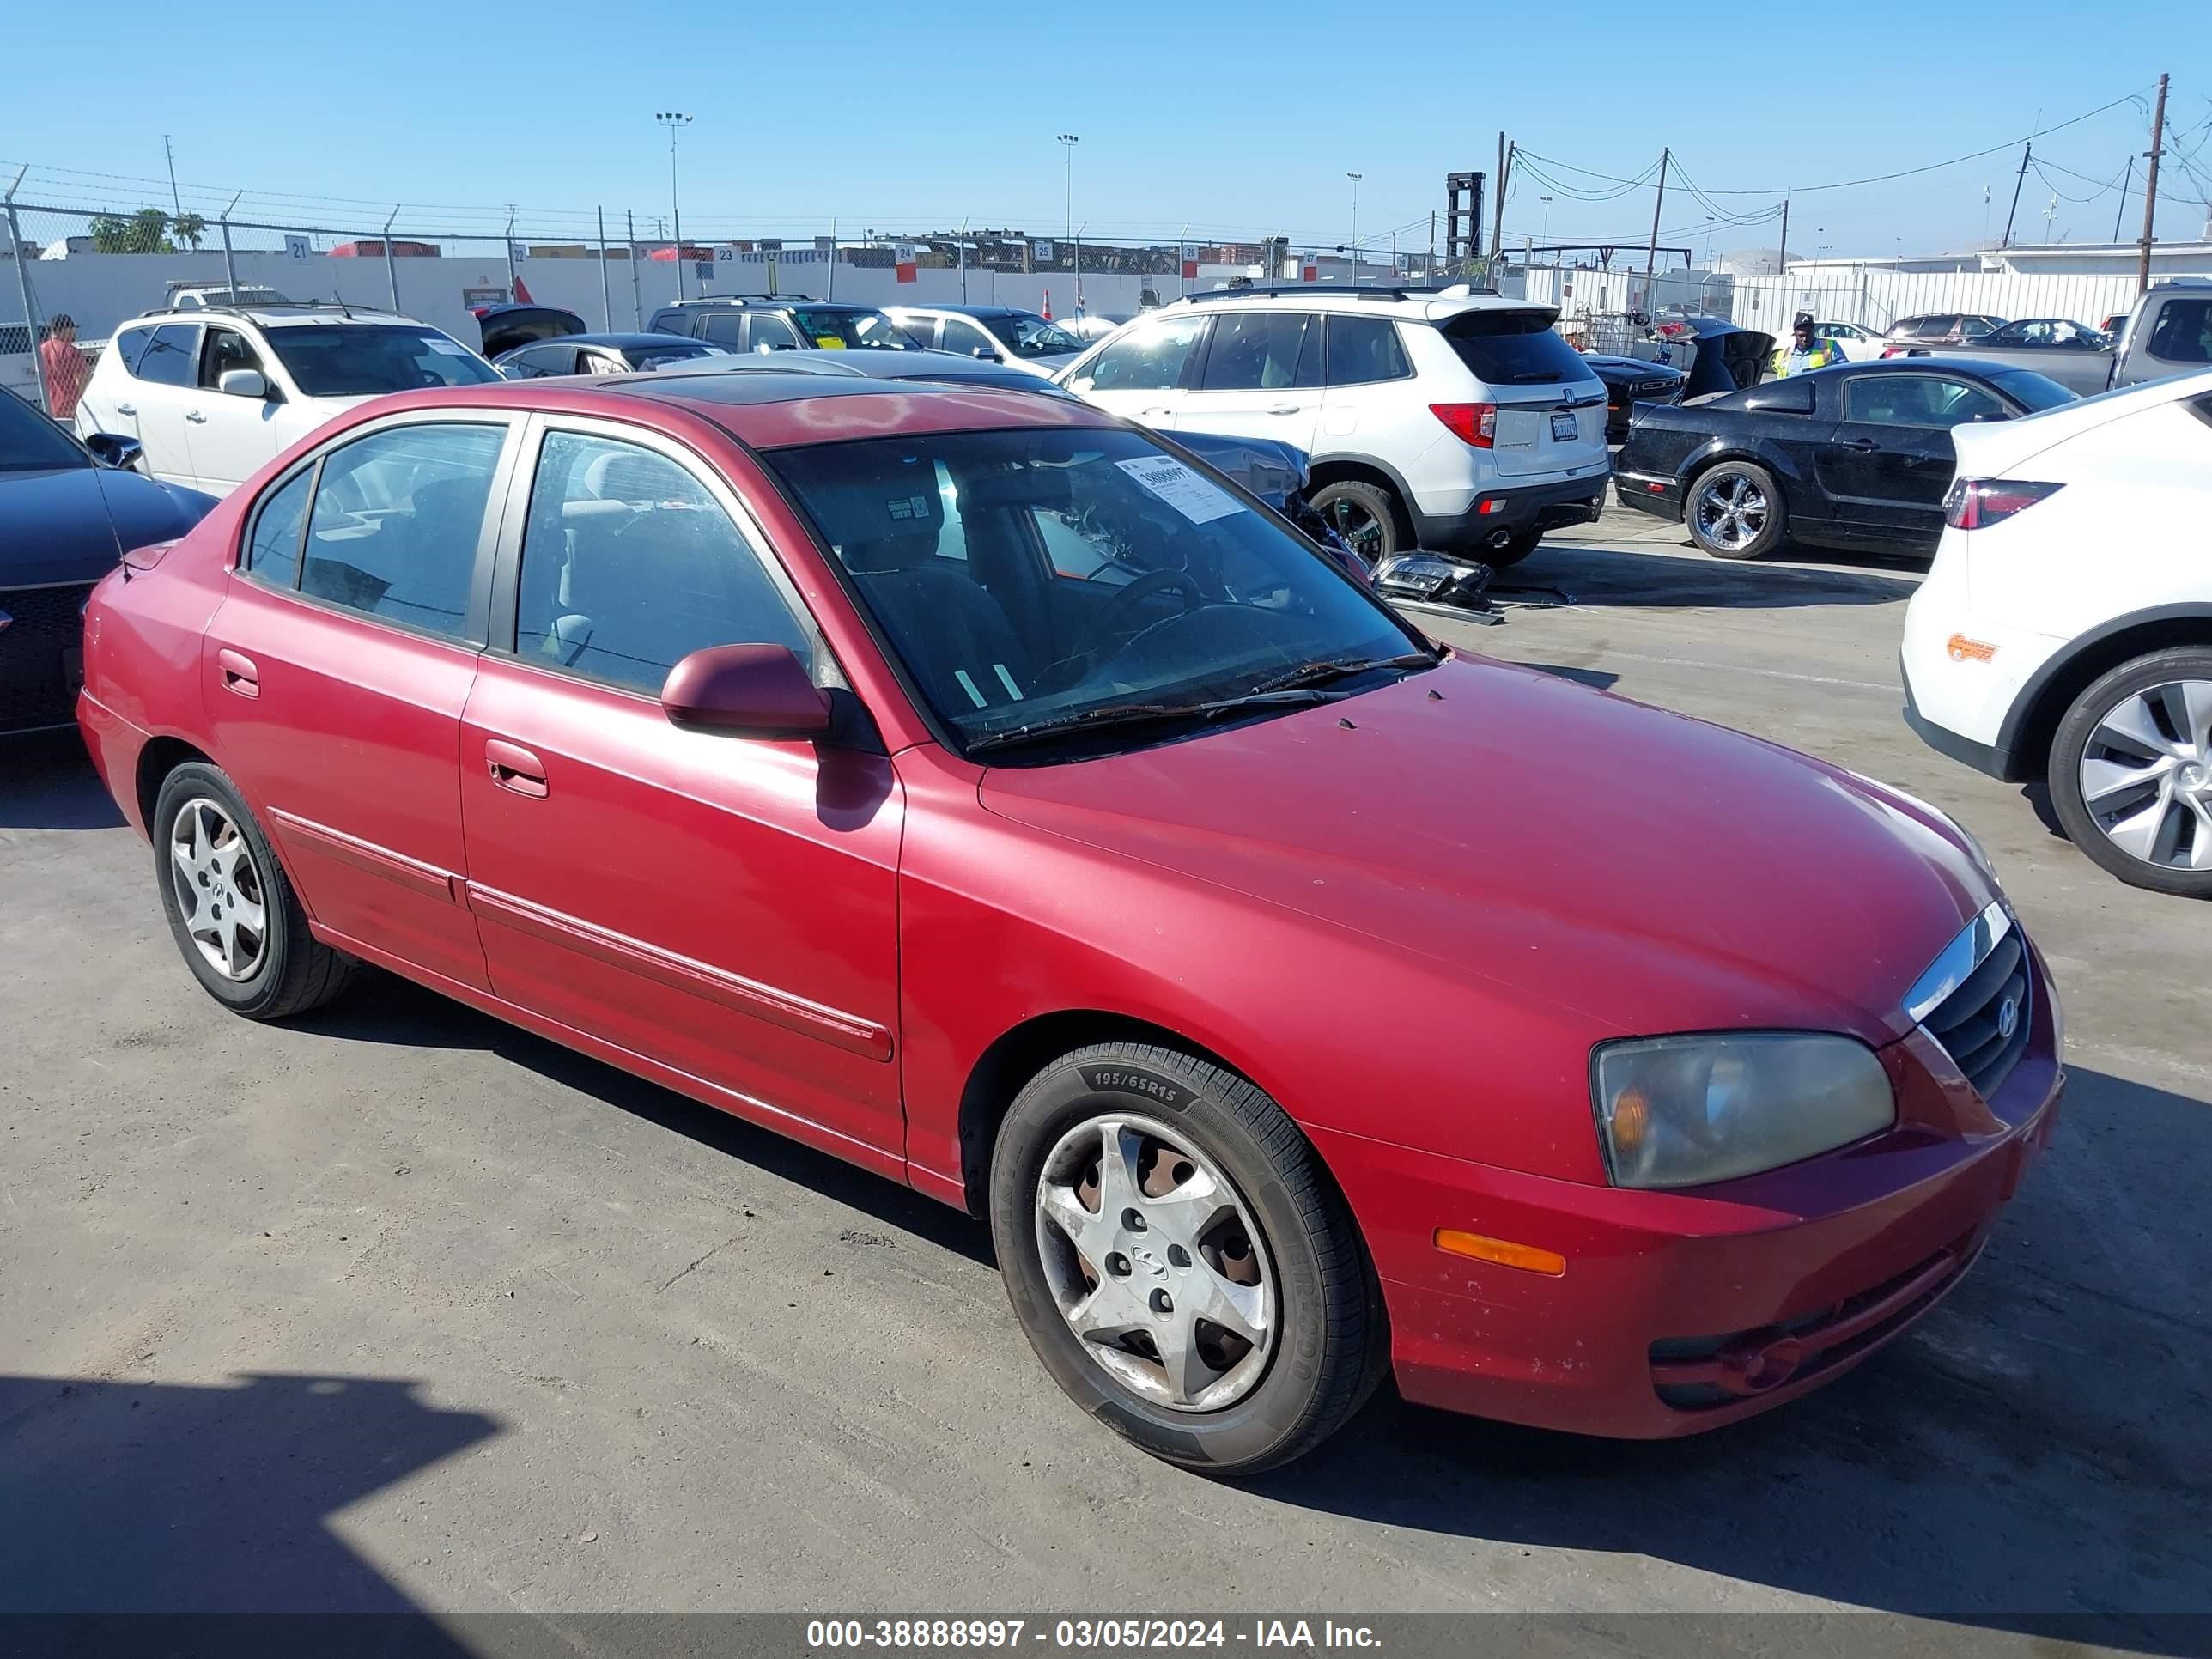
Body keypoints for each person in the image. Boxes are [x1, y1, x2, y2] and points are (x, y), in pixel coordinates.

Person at [39, 313, 91, 425]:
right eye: (72, 329)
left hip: (49, 406)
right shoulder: (70, 351)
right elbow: (83, 380)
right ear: (65, 329)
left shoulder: (40, 351)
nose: (74, 333)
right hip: (71, 407)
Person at [1771, 314, 1846, 379]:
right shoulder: (1784, 354)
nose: (1805, 339)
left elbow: (1844, 371)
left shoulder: (1831, 347)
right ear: (1795, 334)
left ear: (1813, 331)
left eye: (1808, 335)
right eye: (1801, 336)